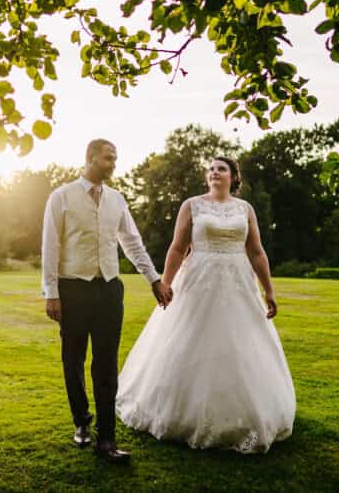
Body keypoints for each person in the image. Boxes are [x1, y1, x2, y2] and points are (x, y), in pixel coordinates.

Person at [115, 157, 295, 453]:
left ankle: (246, 413)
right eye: (210, 169)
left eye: (221, 169)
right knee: (190, 338)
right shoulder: (192, 205)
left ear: (234, 177)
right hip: (198, 278)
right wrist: (166, 283)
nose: (214, 172)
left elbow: (257, 252)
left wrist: (269, 291)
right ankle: (178, 410)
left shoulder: (245, 209)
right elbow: (177, 247)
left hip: (238, 281)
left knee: (241, 342)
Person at [42, 139, 173, 463]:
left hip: (109, 292)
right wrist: (52, 293)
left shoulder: (117, 200)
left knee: (106, 365)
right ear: (90, 158)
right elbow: (50, 248)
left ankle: (107, 440)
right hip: (73, 289)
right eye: (108, 158)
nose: (113, 164)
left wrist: (154, 279)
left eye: (115, 159)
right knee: (72, 361)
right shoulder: (62, 197)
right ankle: (81, 423)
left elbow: (132, 243)